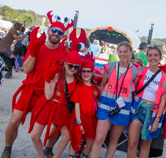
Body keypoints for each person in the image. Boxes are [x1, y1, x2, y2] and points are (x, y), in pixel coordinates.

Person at [1, 10, 73, 158]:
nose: (56, 34)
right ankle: (7, 149)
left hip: (50, 94)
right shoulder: (37, 45)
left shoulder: (63, 51)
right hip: (31, 90)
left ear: (62, 36)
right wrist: (33, 51)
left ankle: (48, 148)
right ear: (48, 30)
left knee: (59, 123)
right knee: (14, 120)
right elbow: (26, 69)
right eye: (53, 30)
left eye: (59, 32)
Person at [91, 41, 142, 158]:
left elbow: (133, 90)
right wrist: (101, 101)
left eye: (125, 52)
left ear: (130, 53)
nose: (123, 54)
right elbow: (102, 84)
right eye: (120, 51)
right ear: (117, 52)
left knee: (114, 140)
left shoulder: (136, 71)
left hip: (123, 108)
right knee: (99, 138)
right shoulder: (110, 66)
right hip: (105, 105)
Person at [30, 50, 81, 158]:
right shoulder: (57, 75)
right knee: (35, 136)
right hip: (48, 105)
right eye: (71, 66)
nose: (73, 69)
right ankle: (41, 156)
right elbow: (48, 96)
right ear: (65, 64)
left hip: (62, 109)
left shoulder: (76, 79)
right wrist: (47, 79)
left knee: (66, 137)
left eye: (76, 67)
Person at [127, 47, 166, 158]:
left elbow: (163, 101)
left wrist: (157, 121)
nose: (153, 58)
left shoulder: (165, 78)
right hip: (138, 109)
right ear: (147, 57)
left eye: (156, 55)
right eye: (150, 55)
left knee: (145, 144)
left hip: (152, 113)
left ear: (160, 57)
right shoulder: (141, 71)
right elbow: (133, 87)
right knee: (132, 143)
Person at [69, 58, 100, 158]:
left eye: (88, 71)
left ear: (92, 73)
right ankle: (72, 156)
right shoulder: (78, 87)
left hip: (91, 121)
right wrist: (79, 122)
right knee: (75, 140)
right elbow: (77, 106)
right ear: (80, 72)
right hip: (79, 119)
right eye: (83, 71)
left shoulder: (95, 88)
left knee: (90, 142)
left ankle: (83, 155)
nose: (86, 74)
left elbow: (97, 103)